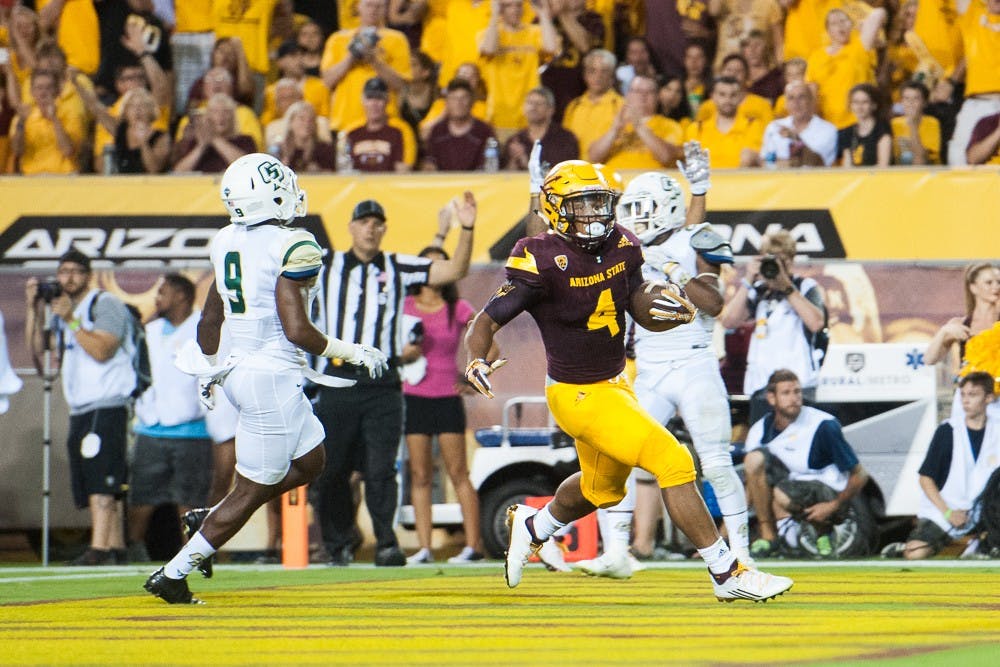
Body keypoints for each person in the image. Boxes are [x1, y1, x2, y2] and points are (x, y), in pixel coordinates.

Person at [464, 159, 793, 601]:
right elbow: (486, 321)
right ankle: (727, 572)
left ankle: (534, 525)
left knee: (601, 488)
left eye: (600, 202)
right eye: (583, 205)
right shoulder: (540, 256)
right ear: (557, 208)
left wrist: (663, 309)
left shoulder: (622, 243)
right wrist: (475, 359)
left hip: (616, 381)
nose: (595, 213)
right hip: (577, 394)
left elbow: (635, 301)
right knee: (673, 460)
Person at [144, 153, 389, 604]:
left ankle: (210, 516)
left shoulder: (224, 240)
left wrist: (209, 368)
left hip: (241, 371)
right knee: (251, 488)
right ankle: (174, 573)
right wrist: (353, 352)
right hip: (271, 377)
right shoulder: (294, 244)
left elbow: (210, 318)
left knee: (312, 461)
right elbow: (297, 330)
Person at [575, 142, 753, 579]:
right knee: (615, 456)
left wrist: (674, 270)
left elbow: (714, 303)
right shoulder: (624, 249)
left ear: (667, 208)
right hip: (649, 369)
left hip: (693, 364)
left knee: (715, 463)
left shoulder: (695, 240)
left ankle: (743, 555)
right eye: (631, 208)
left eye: (643, 208)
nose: (634, 217)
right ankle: (618, 551)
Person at [311, 193, 478, 568]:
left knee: (381, 468)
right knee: (333, 468)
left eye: (377, 223)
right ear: (351, 227)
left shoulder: (398, 266)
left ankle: (386, 543)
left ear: (384, 229)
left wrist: (466, 228)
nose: (370, 229)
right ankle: (337, 542)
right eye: (363, 222)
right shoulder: (325, 263)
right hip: (337, 377)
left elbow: (455, 270)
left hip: (382, 380)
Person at [25, 249, 134, 565]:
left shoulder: (105, 304)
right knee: (97, 478)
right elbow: (40, 349)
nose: (68, 278)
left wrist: (71, 320)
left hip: (107, 403)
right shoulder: (65, 311)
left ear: (89, 275)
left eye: (75, 271)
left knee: (102, 478)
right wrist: (33, 308)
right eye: (63, 271)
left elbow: (103, 350)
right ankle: (115, 548)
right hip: (82, 406)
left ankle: (98, 550)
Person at [403, 235, 494, 565]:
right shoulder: (405, 305)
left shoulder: (458, 307)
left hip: (446, 398)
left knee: (458, 473)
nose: (436, 269)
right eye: (429, 264)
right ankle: (424, 549)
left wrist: (472, 379)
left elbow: (488, 342)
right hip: (413, 397)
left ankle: (473, 546)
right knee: (420, 475)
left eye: (441, 263)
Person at [127, 274, 213, 563]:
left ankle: (191, 556)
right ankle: (134, 551)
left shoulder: (204, 327)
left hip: (193, 430)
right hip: (150, 428)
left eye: (162, 292)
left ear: (181, 296)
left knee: (190, 499)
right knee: (141, 497)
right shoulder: (150, 330)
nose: (157, 298)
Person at [743, 369, 870, 558]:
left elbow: (860, 475)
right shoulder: (759, 429)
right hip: (791, 489)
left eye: (797, 392)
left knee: (782, 493)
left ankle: (822, 532)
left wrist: (832, 505)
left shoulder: (824, 425)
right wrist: (724, 535)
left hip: (830, 494)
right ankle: (771, 537)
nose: (794, 398)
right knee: (755, 462)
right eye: (786, 393)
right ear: (771, 398)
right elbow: (751, 483)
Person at [882, 372, 1000, 559]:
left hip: (985, 513)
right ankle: (905, 548)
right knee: (916, 553)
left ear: (989, 398)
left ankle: (982, 543)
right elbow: (925, 479)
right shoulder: (948, 430)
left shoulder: (997, 429)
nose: (965, 401)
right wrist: (948, 513)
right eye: (963, 394)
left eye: (973, 395)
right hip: (945, 511)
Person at [719, 229, 827, 426]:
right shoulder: (759, 291)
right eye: (771, 259)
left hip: (798, 386)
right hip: (763, 386)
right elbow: (729, 321)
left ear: (791, 260)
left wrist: (786, 286)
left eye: (782, 260)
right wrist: (748, 280)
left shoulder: (804, 286)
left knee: (799, 440)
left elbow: (816, 323)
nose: (777, 265)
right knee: (762, 441)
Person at [924, 262, 1000, 422]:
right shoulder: (961, 323)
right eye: (989, 282)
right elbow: (929, 359)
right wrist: (944, 332)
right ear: (973, 288)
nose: (996, 287)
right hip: (969, 398)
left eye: (998, 282)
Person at [420, 78, 497, 171]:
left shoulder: (486, 132)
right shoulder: (437, 131)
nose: (459, 103)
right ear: (447, 102)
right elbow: (430, 163)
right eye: (454, 98)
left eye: (464, 98)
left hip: (477, 180)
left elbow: (491, 167)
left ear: (472, 101)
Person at [343, 76, 417, 172]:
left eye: (379, 98)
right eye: (370, 98)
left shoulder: (401, 130)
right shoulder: (351, 131)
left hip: (389, 181)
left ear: (387, 100)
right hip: (358, 181)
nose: (374, 103)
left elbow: (404, 169)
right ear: (362, 100)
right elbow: (343, 167)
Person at [757, 80, 838, 167]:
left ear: (811, 101)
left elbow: (819, 163)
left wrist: (797, 139)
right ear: (785, 104)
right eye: (791, 98)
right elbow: (765, 160)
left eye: (801, 97)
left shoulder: (828, 130)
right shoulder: (774, 127)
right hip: (777, 175)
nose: (796, 102)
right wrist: (780, 163)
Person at [502, 86, 579, 171]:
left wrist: (527, 162)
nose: (533, 107)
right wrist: (514, 159)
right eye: (530, 103)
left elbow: (565, 172)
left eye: (539, 104)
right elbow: (505, 174)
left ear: (551, 110)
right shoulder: (516, 140)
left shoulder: (565, 139)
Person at [837, 83, 892, 167]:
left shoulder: (882, 128)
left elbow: (883, 165)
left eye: (865, 102)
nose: (859, 107)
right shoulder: (848, 132)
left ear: (874, 105)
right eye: (856, 102)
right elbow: (847, 166)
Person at [891, 80, 941, 166]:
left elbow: (921, 160)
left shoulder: (932, 122)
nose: (910, 103)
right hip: (900, 171)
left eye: (916, 98)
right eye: (906, 98)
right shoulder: (893, 123)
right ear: (901, 102)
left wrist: (912, 124)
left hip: (927, 169)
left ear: (924, 103)